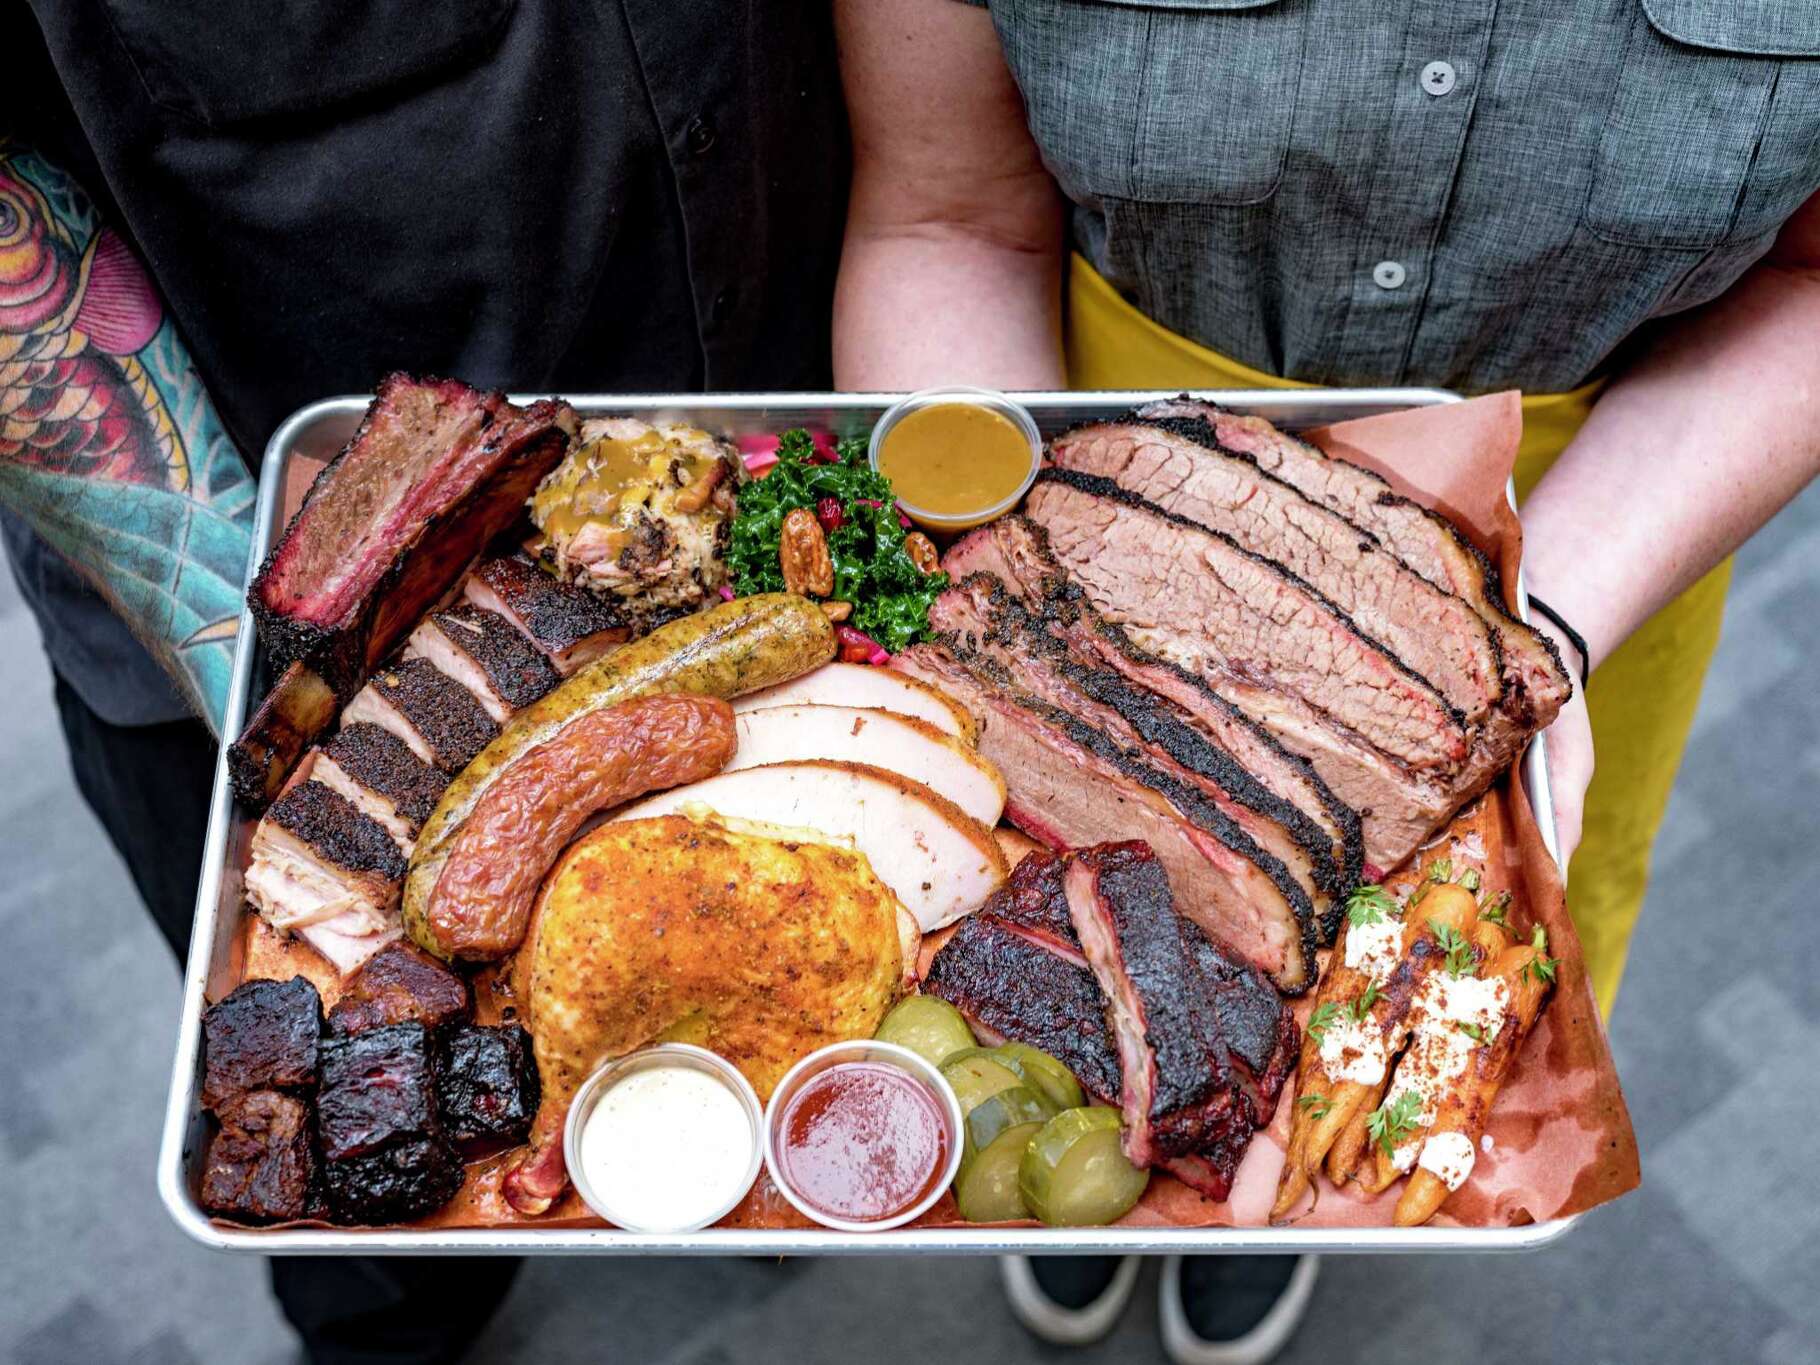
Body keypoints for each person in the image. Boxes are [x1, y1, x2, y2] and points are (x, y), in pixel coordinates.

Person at [832, 1, 1820, 1359]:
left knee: (1425, 1029)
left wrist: (1536, 633)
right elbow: (945, 216)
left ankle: (1264, 1220)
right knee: (1050, 997)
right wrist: (1021, 605)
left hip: (1603, 523)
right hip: (1113, 467)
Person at [4, 1, 846, 1360]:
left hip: (761, 401)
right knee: (374, 1205)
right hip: (250, 579)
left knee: (762, 1048)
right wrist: (306, 671)